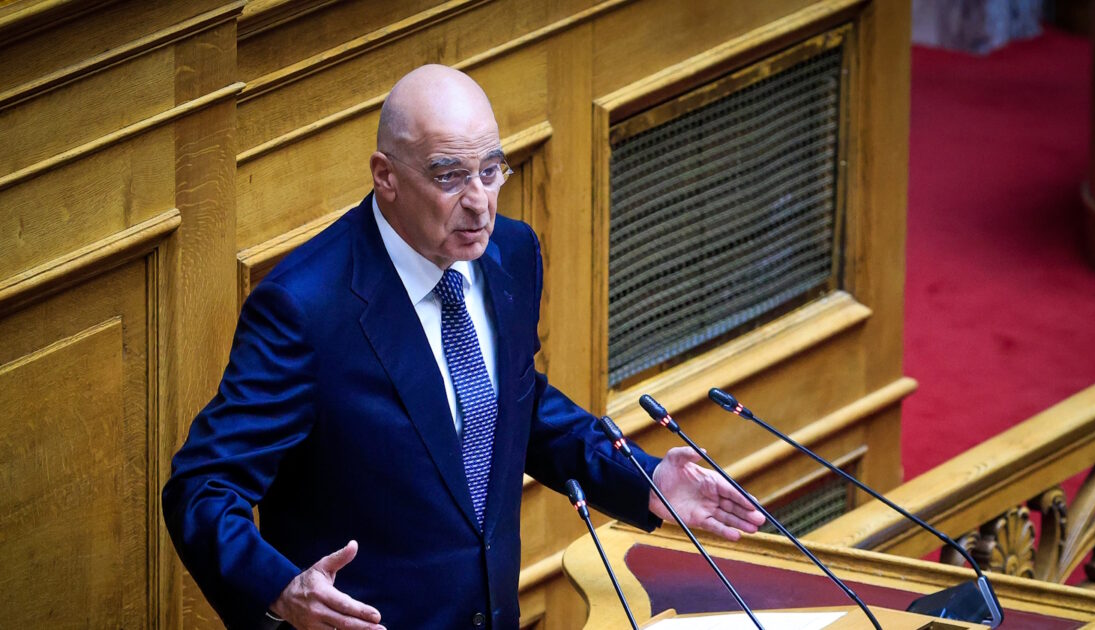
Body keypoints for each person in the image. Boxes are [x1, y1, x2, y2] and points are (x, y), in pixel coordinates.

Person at [162, 64, 764, 630]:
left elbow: (513, 409)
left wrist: (644, 479)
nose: (479, 201)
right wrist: (281, 589)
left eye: (491, 170)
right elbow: (203, 486)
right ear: (386, 175)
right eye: (449, 176)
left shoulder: (511, 252)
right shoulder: (305, 308)